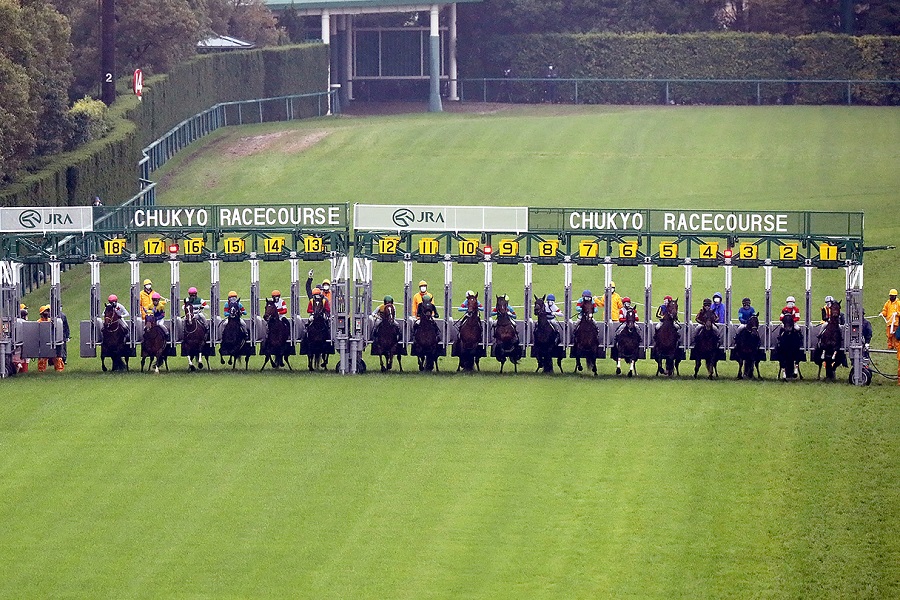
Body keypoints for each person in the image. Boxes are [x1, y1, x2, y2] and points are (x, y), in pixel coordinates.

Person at [36, 305, 64, 372]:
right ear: (41, 313)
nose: (47, 313)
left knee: (56, 357)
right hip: (43, 342)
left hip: (52, 340)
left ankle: (59, 369)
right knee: (42, 357)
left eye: (48, 311)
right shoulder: (38, 322)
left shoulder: (51, 321)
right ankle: (41, 370)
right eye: (45, 311)